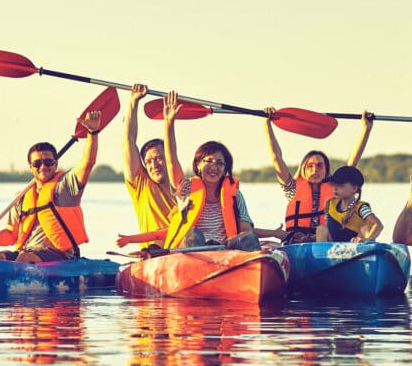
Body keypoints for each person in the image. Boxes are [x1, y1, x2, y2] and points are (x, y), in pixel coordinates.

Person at [0, 111, 102, 263]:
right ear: (30, 167)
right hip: (27, 252)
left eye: (48, 162)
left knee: (25, 257)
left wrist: (92, 132)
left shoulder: (65, 187)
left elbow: (88, 163)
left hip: (60, 254)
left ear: (55, 164)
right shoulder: (21, 196)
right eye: (37, 163)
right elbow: (11, 235)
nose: (43, 167)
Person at [158, 92, 259, 251]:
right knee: (193, 234)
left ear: (225, 169)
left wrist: (232, 241)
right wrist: (169, 123)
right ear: (198, 165)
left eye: (220, 163)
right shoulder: (187, 189)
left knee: (250, 238)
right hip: (192, 250)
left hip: (224, 251)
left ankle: (253, 271)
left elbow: (246, 230)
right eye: (208, 161)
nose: (214, 167)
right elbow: (171, 160)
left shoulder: (235, 196)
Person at [262, 108, 374, 243]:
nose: (315, 169)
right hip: (297, 242)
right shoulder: (292, 188)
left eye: (320, 165)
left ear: (326, 169)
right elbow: (276, 158)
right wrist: (266, 123)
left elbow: (352, 163)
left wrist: (366, 128)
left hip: (325, 241)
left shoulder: (335, 189)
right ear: (303, 169)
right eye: (310, 166)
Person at [121, 84, 184, 249]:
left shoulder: (183, 187)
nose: (154, 164)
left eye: (158, 158)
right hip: (153, 255)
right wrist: (133, 103)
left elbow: (172, 156)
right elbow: (128, 141)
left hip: (182, 251)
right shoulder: (141, 185)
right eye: (148, 162)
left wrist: (169, 122)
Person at [315, 165, 383, 243]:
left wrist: (366, 240)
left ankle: (367, 248)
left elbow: (378, 225)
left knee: (365, 228)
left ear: (354, 188)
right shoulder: (330, 204)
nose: (335, 188)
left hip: (356, 246)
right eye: (334, 184)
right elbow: (329, 228)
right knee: (321, 229)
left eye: (340, 185)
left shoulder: (361, 208)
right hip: (333, 247)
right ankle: (321, 254)